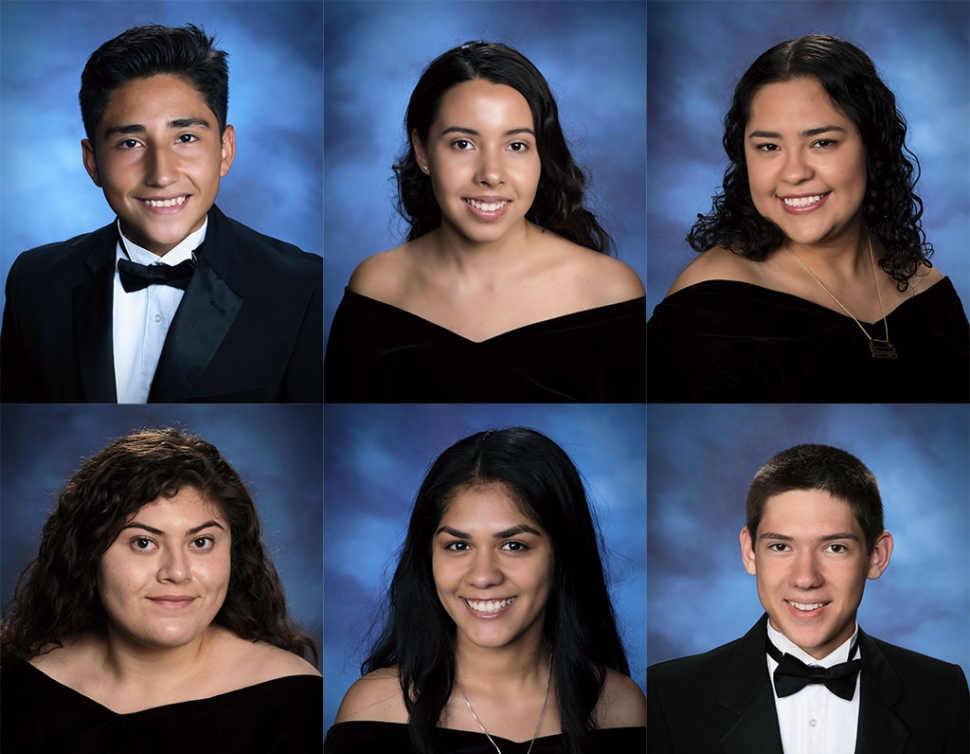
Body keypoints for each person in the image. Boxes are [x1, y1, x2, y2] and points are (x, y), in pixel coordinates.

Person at [324, 424, 646, 754]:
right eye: (458, 545)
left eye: (514, 545)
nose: (483, 576)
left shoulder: (621, 706)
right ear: (428, 559)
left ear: (562, 555)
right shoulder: (372, 708)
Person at [0, 19, 323, 400]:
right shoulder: (34, 282)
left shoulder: (303, 288)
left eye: (185, 137)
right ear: (92, 163)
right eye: (131, 143)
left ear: (225, 149)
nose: (161, 174)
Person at [0, 426, 322, 754]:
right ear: (89, 554)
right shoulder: (17, 689)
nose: (177, 571)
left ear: (234, 553)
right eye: (143, 543)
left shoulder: (295, 706)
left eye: (201, 542)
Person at [646, 34, 969, 400]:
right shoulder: (704, 315)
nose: (794, 172)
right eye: (769, 147)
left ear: (872, 144)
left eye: (821, 142)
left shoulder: (929, 290)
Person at [647, 441, 969, 754]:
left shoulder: (943, 696)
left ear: (876, 557)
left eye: (835, 548)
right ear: (750, 551)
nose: (805, 578)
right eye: (781, 547)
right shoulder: (668, 698)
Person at [325, 39, 645, 402]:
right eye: (462, 144)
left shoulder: (610, 291)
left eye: (516, 146)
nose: (491, 174)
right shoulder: (377, 288)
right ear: (422, 151)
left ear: (543, 154)